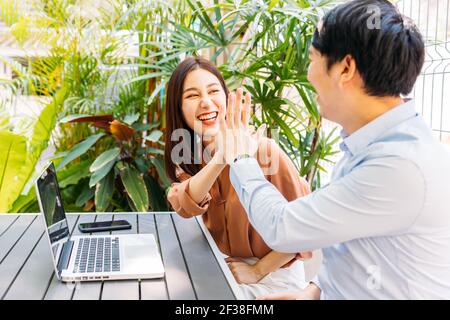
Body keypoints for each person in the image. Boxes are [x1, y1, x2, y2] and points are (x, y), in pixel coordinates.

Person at [215, 0, 450, 299]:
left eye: (312, 58)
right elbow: (358, 253)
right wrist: (311, 294)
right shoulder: (373, 145)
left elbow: (282, 227)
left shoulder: (400, 167)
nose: (309, 73)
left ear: (345, 68)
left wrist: (240, 156)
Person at [163, 57, 315, 299]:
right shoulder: (189, 156)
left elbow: (303, 232)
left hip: (273, 276)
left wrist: (257, 270)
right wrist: (221, 157)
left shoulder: (265, 152)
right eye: (192, 96)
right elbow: (183, 204)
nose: (206, 102)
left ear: (225, 98)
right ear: (178, 108)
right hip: (223, 266)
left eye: (214, 91)